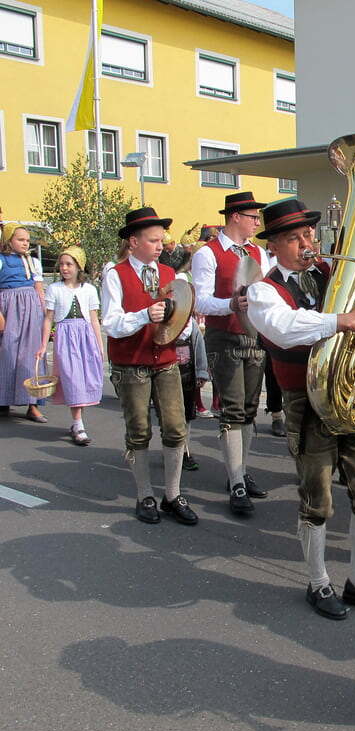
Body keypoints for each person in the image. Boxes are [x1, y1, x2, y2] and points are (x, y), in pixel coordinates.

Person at [247, 198, 355, 620]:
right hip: (306, 400)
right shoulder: (263, 290)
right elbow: (283, 329)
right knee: (316, 499)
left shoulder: (334, 272)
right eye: (294, 238)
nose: (307, 244)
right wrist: (341, 321)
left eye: (309, 235)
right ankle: (318, 582)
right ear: (273, 246)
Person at [102, 207, 198, 526]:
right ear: (134, 242)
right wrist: (145, 315)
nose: (160, 245)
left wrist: (181, 326)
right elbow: (111, 323)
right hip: (131, 364)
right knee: (139, 431)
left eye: (161, 240)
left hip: (166, 361)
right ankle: (145, 494)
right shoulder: (115, 274)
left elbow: (182, 319)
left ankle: (172, 495)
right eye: (153, 240)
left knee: (176, 428)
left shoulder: (170, 274)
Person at [192, 191, 273, 515]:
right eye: (253, 217)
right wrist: (230, 304)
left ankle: (240, 471)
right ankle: (236, 481)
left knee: (250, 409)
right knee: (233, 409)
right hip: (224, 337)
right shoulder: (207, 253)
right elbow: (200, 300)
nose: (257, 223)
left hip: (254, 337)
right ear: (235, 216)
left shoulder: (258, 252)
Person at [36, 246, 103, 445]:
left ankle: (77, 422)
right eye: (62, 264)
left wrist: (100, 345)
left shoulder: (89, 289)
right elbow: (48, 319)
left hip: (86, 337)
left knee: (84, 380)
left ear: (79, 266)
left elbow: (94, 319)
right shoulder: (55, 289)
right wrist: (43, 345)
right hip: (66, 337)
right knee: (73, 380)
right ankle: (78, 424)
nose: (64, 268)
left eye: (69, 264)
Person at [159, 241, 209, 471]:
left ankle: (184, 449)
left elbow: (199, 348)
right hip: (168, 373)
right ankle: (171, 448)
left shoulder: (191, 327)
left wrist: (201, 372)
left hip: (188, 375)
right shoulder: (166, 325)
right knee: (170, 414)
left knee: (187, 414)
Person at [0, 223, 47, 422]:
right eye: (20, 239)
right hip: (8, 308)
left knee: (31, 355)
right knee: (7, 354)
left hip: (31, 310)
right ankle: (3, 401)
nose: (25, 243)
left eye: (27, 240)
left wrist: (46, 316)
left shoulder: (33, 262)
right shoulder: (1, 260)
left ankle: (32, 404)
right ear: (8, 240)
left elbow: (39, 289)